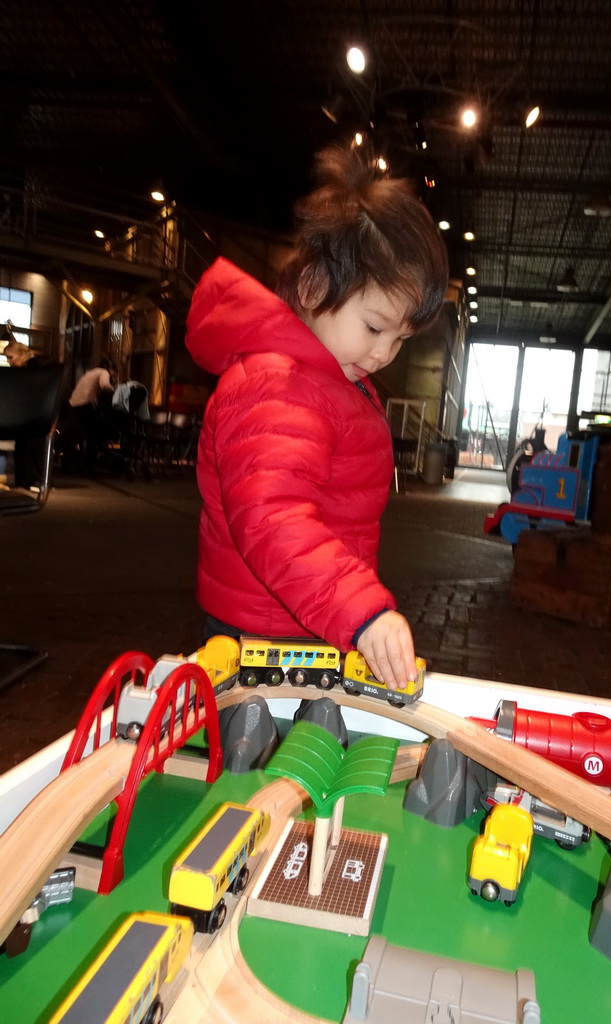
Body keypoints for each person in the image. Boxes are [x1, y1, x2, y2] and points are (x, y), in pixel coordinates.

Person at [185, 143, 448, 690]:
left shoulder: (330, 378)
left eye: (399, 339)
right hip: (260, 641)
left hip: (308, 621)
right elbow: (273, 519)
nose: (383, 355)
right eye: (374, 327)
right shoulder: (273, 384)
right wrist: (360, 609)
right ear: (312, 287)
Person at [2, 339, 49, 490]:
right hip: (34, 415)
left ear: (22, 354)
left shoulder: (31, 369)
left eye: (11, 357)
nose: (9, 362)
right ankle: (27, 480)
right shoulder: (33, 366)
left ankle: (31, 480)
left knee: (27, 447)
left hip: (34, 417)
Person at [58, 357, 115, 473]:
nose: (113, 375)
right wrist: (115, 390)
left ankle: (67, 463)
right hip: (84, 404)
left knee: (76, 433)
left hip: (73, 404)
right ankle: (89, 464)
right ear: (110, 369)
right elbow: (105, 385)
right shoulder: (103, 372)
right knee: (93, 434)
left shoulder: (90, 372)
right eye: (114, 372)